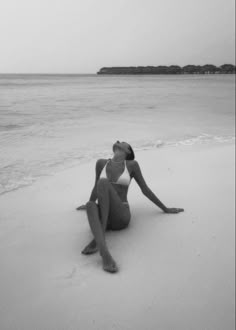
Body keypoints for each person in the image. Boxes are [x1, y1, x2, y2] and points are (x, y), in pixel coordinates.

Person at [76, 140, 184, 273]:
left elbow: (144, 189)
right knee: (90, 205)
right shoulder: (100, 163)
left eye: (122, 142)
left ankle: (104, 251)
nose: (117, 141)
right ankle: (101, 242)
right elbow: (95, 188)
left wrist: (165, 208)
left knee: (103, 183)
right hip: (106, 216)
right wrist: (90, 202)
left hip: (120, 215)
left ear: (128, 151)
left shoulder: (132, 165)